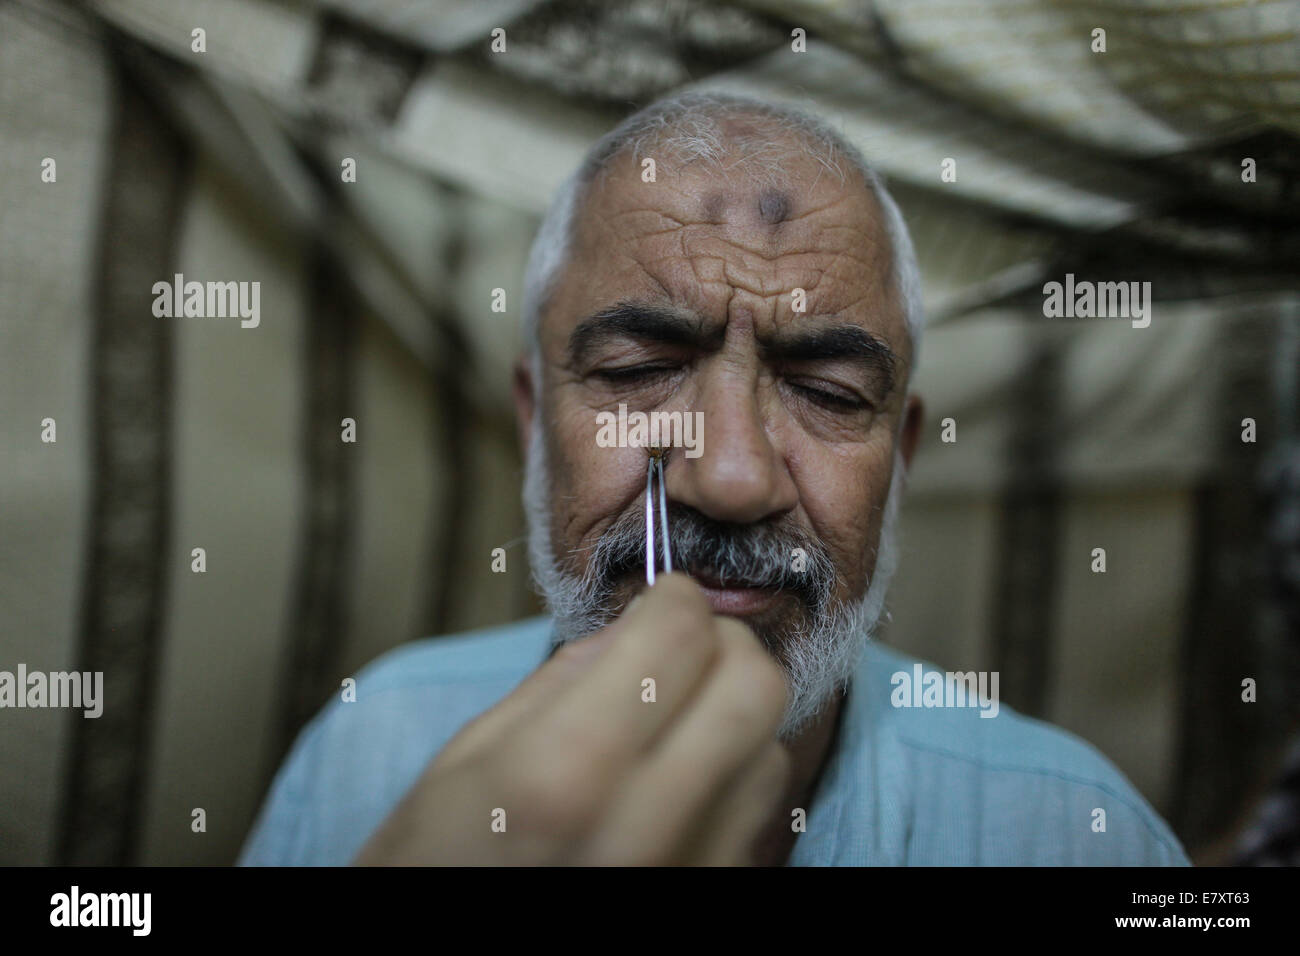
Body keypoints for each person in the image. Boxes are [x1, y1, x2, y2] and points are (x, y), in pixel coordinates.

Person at [239, 91, 1189, 866]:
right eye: (636, 374)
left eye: (825, 391)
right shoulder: (371, 753)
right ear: (535, 427)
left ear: (898, 462)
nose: (732, 478)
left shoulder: (1073, 835)